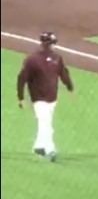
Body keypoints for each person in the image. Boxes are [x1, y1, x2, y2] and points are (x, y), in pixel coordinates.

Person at [17, 32, 75, 161]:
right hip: (38, 98)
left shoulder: (57, 58)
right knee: (45, 123)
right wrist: (21, 97)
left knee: (44, 121)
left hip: (52, 97)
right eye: (51, 43)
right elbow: (22, 79)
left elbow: (63, 73)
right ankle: (50, 149)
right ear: (44, 44)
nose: (53, 46)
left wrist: (69, 87)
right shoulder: (32, 60)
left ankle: (38, 146)